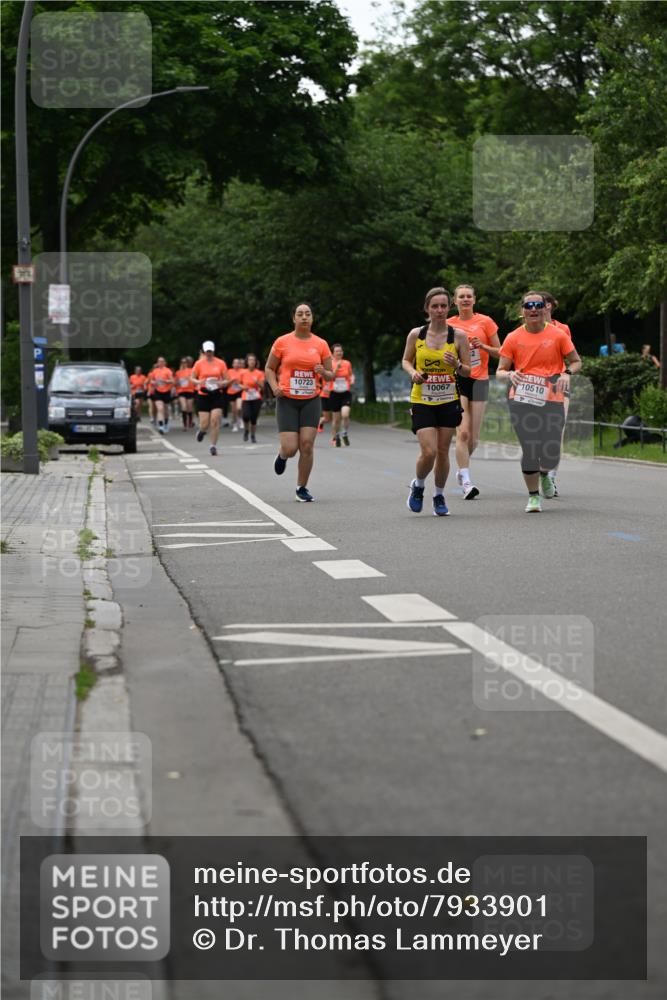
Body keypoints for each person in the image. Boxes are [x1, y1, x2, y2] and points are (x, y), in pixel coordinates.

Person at [496, 292, 582, 513]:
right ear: (522, 310)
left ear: (545, 308)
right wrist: (510, 375)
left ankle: (545, 474)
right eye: (528, 305)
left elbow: (576, 361)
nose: (533, 309)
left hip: (552, 397)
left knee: (552, 449)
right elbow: (500, 371)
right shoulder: (513, 337)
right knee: (530, 447)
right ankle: (533, 496)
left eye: (537, 305)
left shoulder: (558, 335)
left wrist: (567, 374)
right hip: (522, 397)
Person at [402, 287, 472, 516]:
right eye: (435, 306)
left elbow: (468, 371)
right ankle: (419, 486)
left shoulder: (458, 336)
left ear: (448, 308)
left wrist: (457, 366)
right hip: (422, 399)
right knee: (429, 451)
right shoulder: (417, 335)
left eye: (443, 306)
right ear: (427, 309)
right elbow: (405, 360)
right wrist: (413, 373)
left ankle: (439, 495)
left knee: (442, 451)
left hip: (448, 400)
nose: (440, 310)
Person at [265, 302, 334, 502]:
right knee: (290, 447)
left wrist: (323, 372)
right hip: (287, 399)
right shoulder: (282, 342)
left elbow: (330, 375)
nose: (304, 317)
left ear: (312, 319)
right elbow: (269, 368)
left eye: (308, 314)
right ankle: (283, 456)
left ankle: (301, 487)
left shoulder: (320, 344)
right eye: (300, 314)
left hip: (311, 400)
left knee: (306, 445)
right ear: (294, 319)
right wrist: (274, 386)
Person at [451, 284, 500, 498]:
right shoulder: (448, 324)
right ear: (455, 301)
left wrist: (483, 347)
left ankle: (462, 468)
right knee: (462, 433)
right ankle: (467, 481)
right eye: (461, 297)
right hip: (458, 379)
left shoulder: (486, 322)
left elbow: (501, 352)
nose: (465, 300)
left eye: (468, 296)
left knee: (474, 439)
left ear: (474, 300)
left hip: (479, 381)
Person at [540, 291, 574, 496]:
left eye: (541, 304)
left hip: (559, 384)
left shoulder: (563, 329)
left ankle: (551, 477)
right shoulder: (527, 329)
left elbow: (569, 356)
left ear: (550, 306)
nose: (536, 308)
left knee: (557, 432)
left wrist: (566, 373)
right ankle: (542, 469)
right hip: (536, 386)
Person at [191, 341, 229, 456]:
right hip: (203, 394)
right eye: (207, 351)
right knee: (204, 423)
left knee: (215, 420)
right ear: (204, 351)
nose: (209, 353)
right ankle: (202, 431)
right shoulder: (199, 364)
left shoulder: (221, 363)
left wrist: (221, 383)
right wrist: (199, 381)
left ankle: (213, 446)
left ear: (213, 351)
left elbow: (227, 379)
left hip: (217, 394)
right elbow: (192, 378)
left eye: (210, 351)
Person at [329, 344, 355, 446]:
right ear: (333, 353)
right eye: (337, 351)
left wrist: (352, 379)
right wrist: (336, 368)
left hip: (345, 393)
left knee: (345, 415)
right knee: (336, 419)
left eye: (341, 351)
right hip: (334, 393)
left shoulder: (347, 363)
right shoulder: (330, 364)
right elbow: (329, 377)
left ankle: (344, 432)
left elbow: (350, 374)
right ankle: (336, 436)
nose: (339, 353)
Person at [239, 354, 265, 443]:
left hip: (256, 397)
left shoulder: (259, 373)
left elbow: (263, 386)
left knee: (254, 418)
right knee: (246, 416)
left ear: (255, 362)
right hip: (246, 397)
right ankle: (246, 430)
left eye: (253, 360)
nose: (252, 362)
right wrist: (243, 387)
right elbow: (238, 384)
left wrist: (257, 382)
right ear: (247, 362)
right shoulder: (243, 372)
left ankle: (253, 435)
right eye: (250, 360)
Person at [151, 357, 174, 434]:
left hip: (166, 392)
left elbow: (172, 380)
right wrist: (153, 382)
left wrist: (165, 381)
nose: (160, 363)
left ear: (164, 362)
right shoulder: (155, 371)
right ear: (157, 363)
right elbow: (151, 380)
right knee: (160, 408)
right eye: (159, 361)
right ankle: (161, 426)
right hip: (158, 392)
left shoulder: (168, 371)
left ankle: (166, 424)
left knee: (166, 410)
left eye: (162, 361)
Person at [174, 356, 195, 430]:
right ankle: (184, 425)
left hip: (190, 391)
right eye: (182, 362)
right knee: (184, 407)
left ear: (187, 363)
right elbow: (175, 383)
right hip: (181, 391)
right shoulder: (178, 372)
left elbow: (195, 379)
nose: (183, 364)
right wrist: (177, 382)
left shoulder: (191, 370)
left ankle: (190, 421)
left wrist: (189, 379)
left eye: (185, 362)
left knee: (189, 408)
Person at [227, 359, 245, 431]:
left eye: (238, 363)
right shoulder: (229, 371)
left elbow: (245, 382)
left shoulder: (243, 371)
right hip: (231, 392)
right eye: (235, 363)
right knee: (234, 410)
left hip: (239, 391)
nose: (236, 364)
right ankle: (235, 424)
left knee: (239, 407)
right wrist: (231, 381)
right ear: (232, 364)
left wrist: (239, 384)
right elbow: (226, 383)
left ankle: (240, 419)